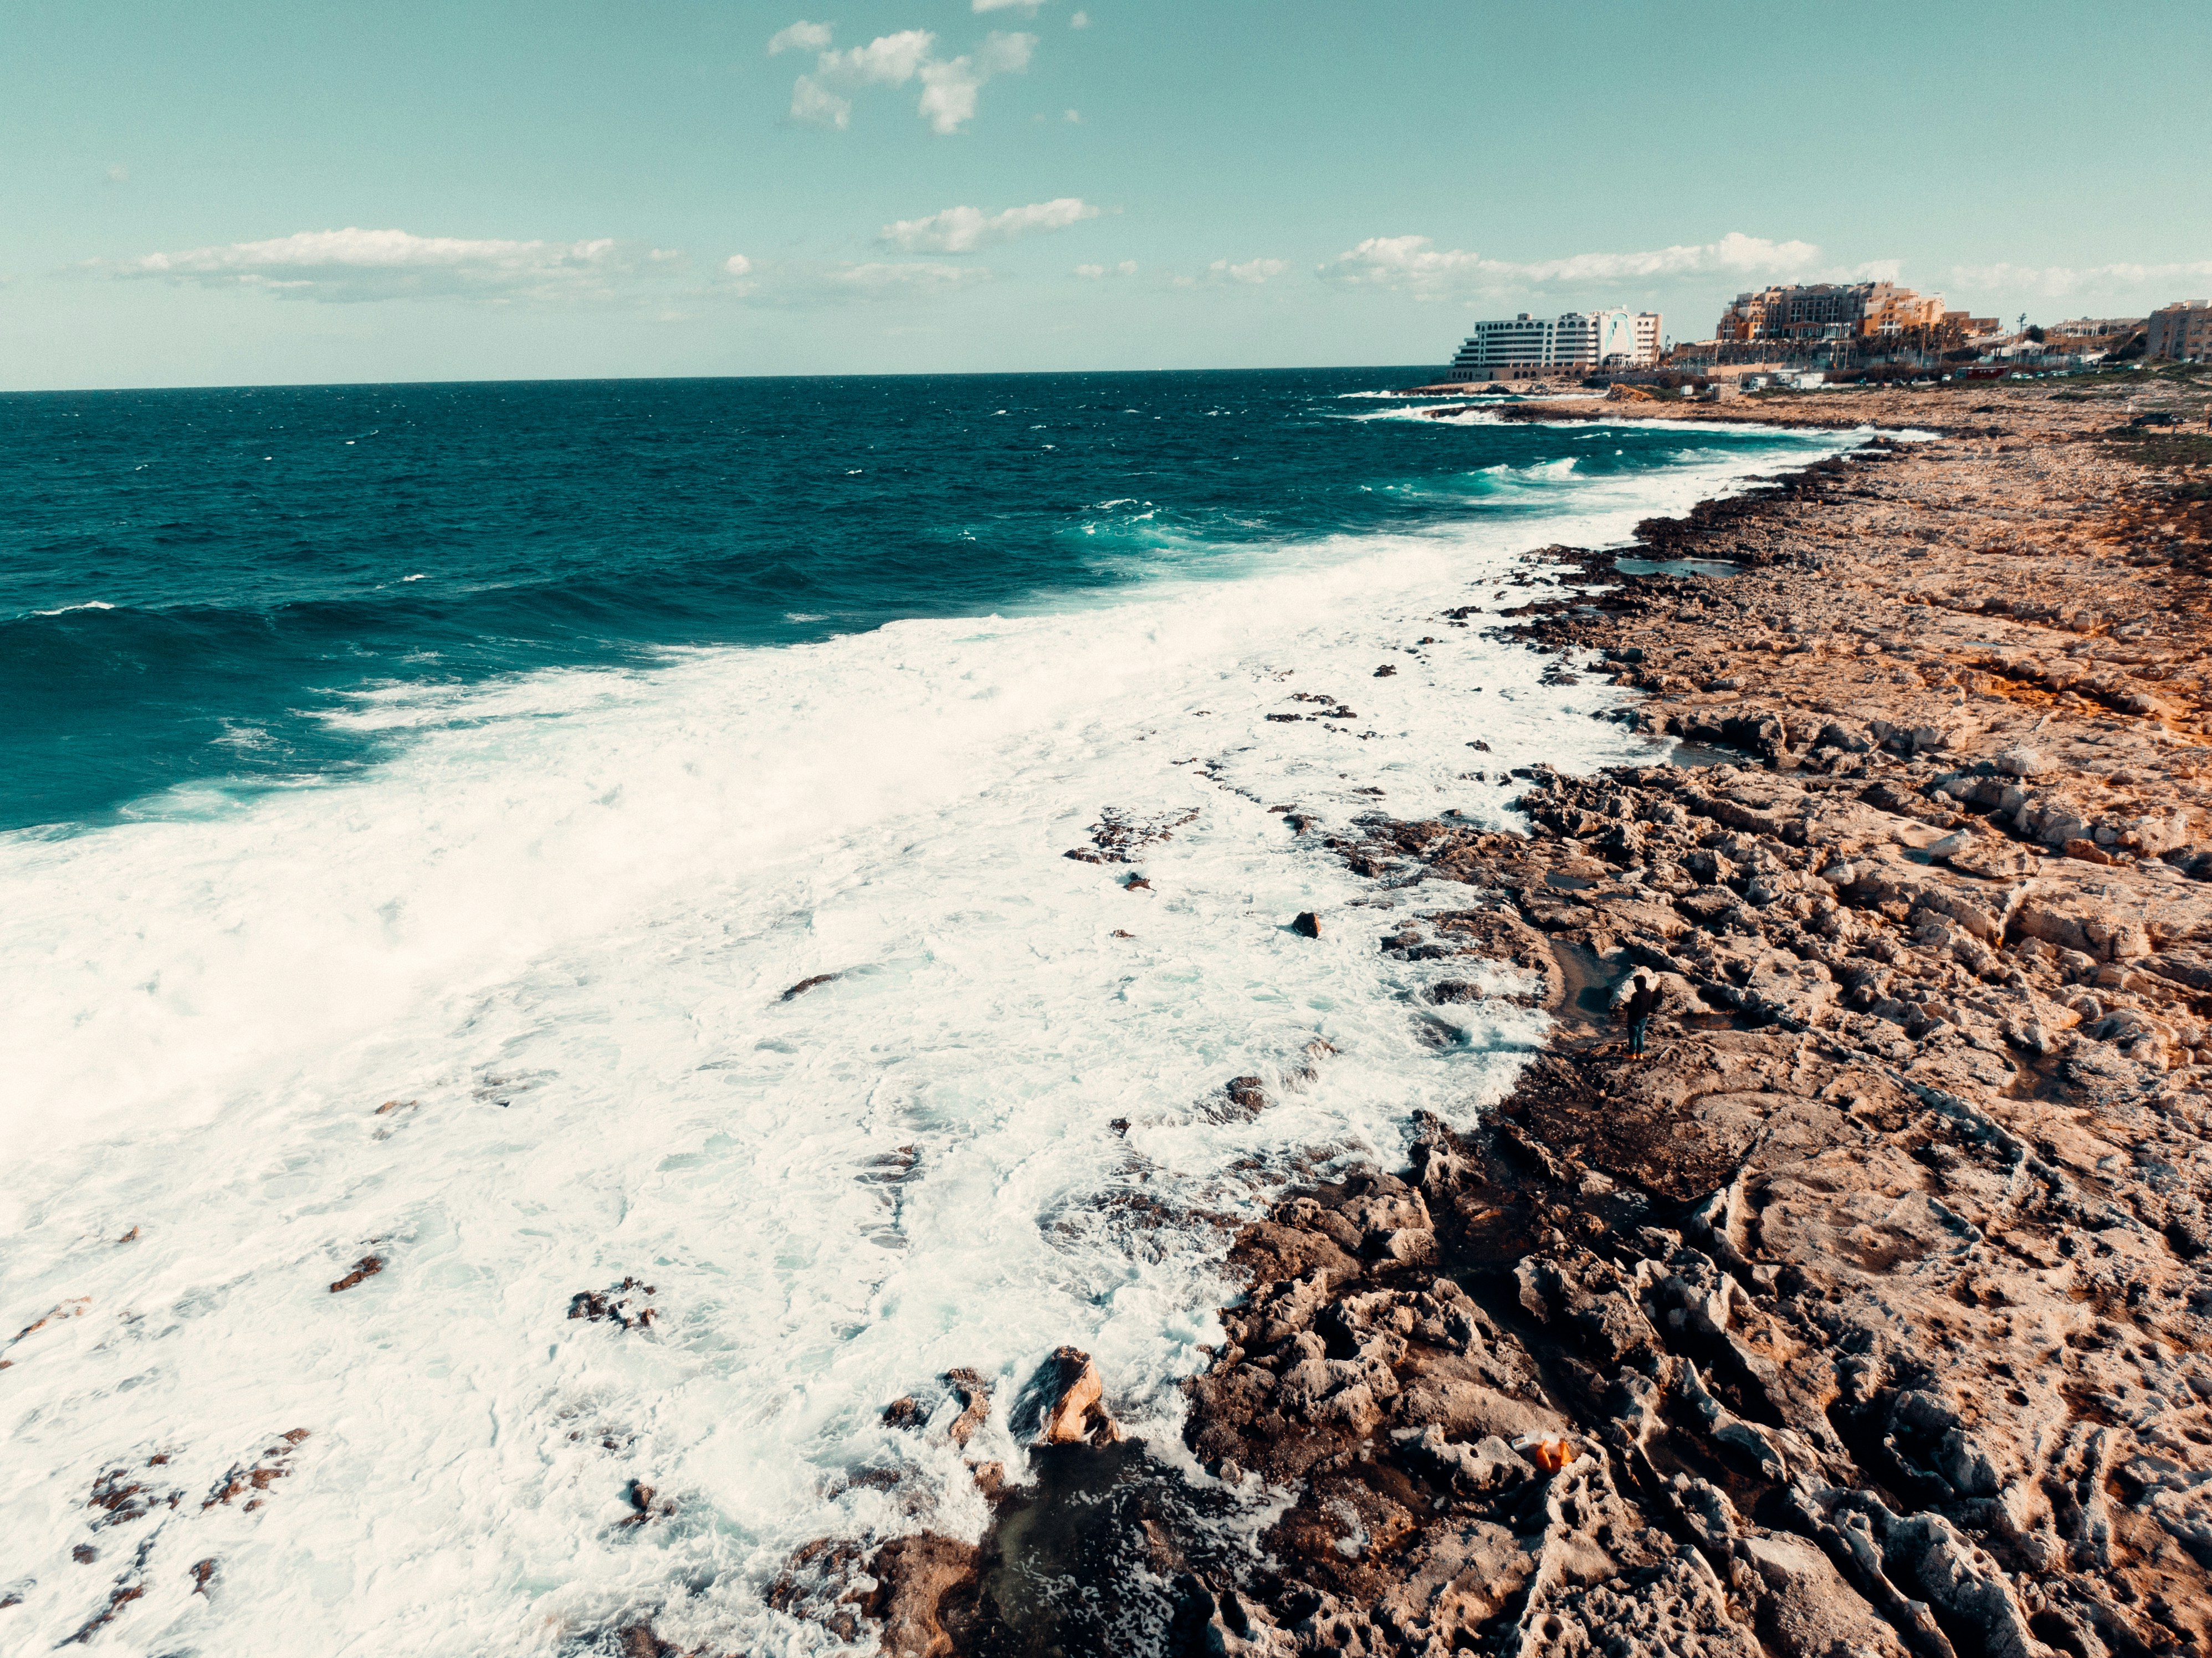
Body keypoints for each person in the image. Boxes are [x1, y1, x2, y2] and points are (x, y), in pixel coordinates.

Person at [1619, 974, 1662, 1058]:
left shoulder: (1636, 995)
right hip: (1644, 1017)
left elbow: (1633, 1009)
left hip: (1635, 1019)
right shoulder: (1649, 992)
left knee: (1633, 1036)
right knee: (1640, 1035)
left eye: (1635, 983)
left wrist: (1627, 1007)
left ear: (1638, 984)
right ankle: (1640, 1053)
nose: (1635, 985)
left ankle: (1632, 1054)